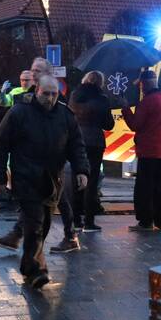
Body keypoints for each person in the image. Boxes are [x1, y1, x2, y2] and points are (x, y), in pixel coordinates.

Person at [0, 75, 89, 288]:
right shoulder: (19, 112)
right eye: (46, 93)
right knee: (34, 223)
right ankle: (37, 270)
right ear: (37, 91)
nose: (50, 98)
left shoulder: (65, 115)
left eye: (54, 94)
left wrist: (82, 170)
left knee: (43, 224)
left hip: (53, 179)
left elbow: (76, 145)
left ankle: (29, 266)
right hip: (26, 177)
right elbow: (0, 143)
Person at [0, 57, 54, 251]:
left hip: (50, 168)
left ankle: (67, 234)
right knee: (33, 207)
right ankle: (25, 245)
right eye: (31, 71)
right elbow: (2, 134)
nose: (32, 75)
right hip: (27, 166)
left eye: (37, 71)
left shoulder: (55, 97)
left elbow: (68, 132)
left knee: (50, 206)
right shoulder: (22, 97)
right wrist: (1, 94)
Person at [120, 70, 161, 232]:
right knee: (157, 187)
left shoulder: (147, 102)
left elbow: (135, 125)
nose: (141, 89)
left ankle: (145, 221)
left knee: (144, 187)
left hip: (147, 151)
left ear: (145, 84)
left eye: (141, 85)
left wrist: (125, 108)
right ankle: (160, 221)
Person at [68, 71, 114, 233]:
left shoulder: (74, 96)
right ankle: (89, 222)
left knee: (76, 179)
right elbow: (109, 125)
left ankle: (75, 221)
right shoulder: (102, 99)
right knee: (92, 182)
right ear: (100, 83)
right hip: (95, 142)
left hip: (76, 141)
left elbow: (69, 117)